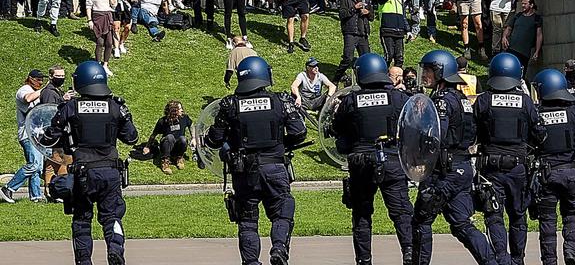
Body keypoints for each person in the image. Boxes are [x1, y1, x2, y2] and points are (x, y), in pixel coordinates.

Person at [205, 56, 307, 265]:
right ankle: (278, 249)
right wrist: (280, 142)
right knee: (282, 211)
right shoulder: (281, 100)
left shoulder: (230, 104)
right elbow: (299, 132)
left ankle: (251, 262)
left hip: (244, 171)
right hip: (275, 167)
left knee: (248, 222)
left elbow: (214, 140)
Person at [39, 61, 137, 265]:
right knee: (112, 217)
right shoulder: (116, 106)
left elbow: (50, 137)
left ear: (80, 81)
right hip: (111, 172)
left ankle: (84, 261)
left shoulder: (71, 107)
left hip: (83, 173)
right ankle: (115, 249)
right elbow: (132, 137)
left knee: (82, 220)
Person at [412, 49, 500, 265]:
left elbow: (435, 136)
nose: (425, 75)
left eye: (430, 70)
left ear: (442, 72)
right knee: (462, 224)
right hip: (462, 168)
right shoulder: (462, 99)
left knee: (421, 221)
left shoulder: (441, 101)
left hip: (443, 172)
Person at [331, 53, 414, 265]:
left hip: (361, 162)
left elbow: (337, 129)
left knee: (362, 214)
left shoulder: (350, 100)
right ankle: (409, 252)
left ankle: (364, 259)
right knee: (402, 213)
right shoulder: (398, 98)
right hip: (393, 160)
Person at [474, 52, 545, 265]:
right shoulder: (525, 102)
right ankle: (517, 259)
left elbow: (471, 132)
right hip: (518, 169)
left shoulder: (484, 100)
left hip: (491, 168)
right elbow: (540, 134)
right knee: (518, 216)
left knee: (493, 215)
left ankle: (502, 259)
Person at [532, 68, 575, 265]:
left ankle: (550, 261)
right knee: (572, 215)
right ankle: (570, 253)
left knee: (548, 220)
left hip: (547, 173)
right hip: (572, 173)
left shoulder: (537, 114)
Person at [1, 69, 47, 203]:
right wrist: (44, 90)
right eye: (38, 79)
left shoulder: (37, 91)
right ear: (31, 79)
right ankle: (8, 188)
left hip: (38, 135)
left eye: (42, 80)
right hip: (27, 134)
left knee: (37, 167)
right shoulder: (24, 89)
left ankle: (36, 197)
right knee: (33, 165)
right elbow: (27, 98)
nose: (40, 82)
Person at [144, 100, 191, 175]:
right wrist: (147, 146)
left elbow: (191, 125)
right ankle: (165, 162)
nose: (182, 110)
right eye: (179, 109)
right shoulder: (163, 121)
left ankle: (178, 158)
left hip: (178, 146)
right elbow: (154, 134)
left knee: (183, 139)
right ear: (173, 111)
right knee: (170, 137)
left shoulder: (184, 118)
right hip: (167, 145)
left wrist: (194, 138)